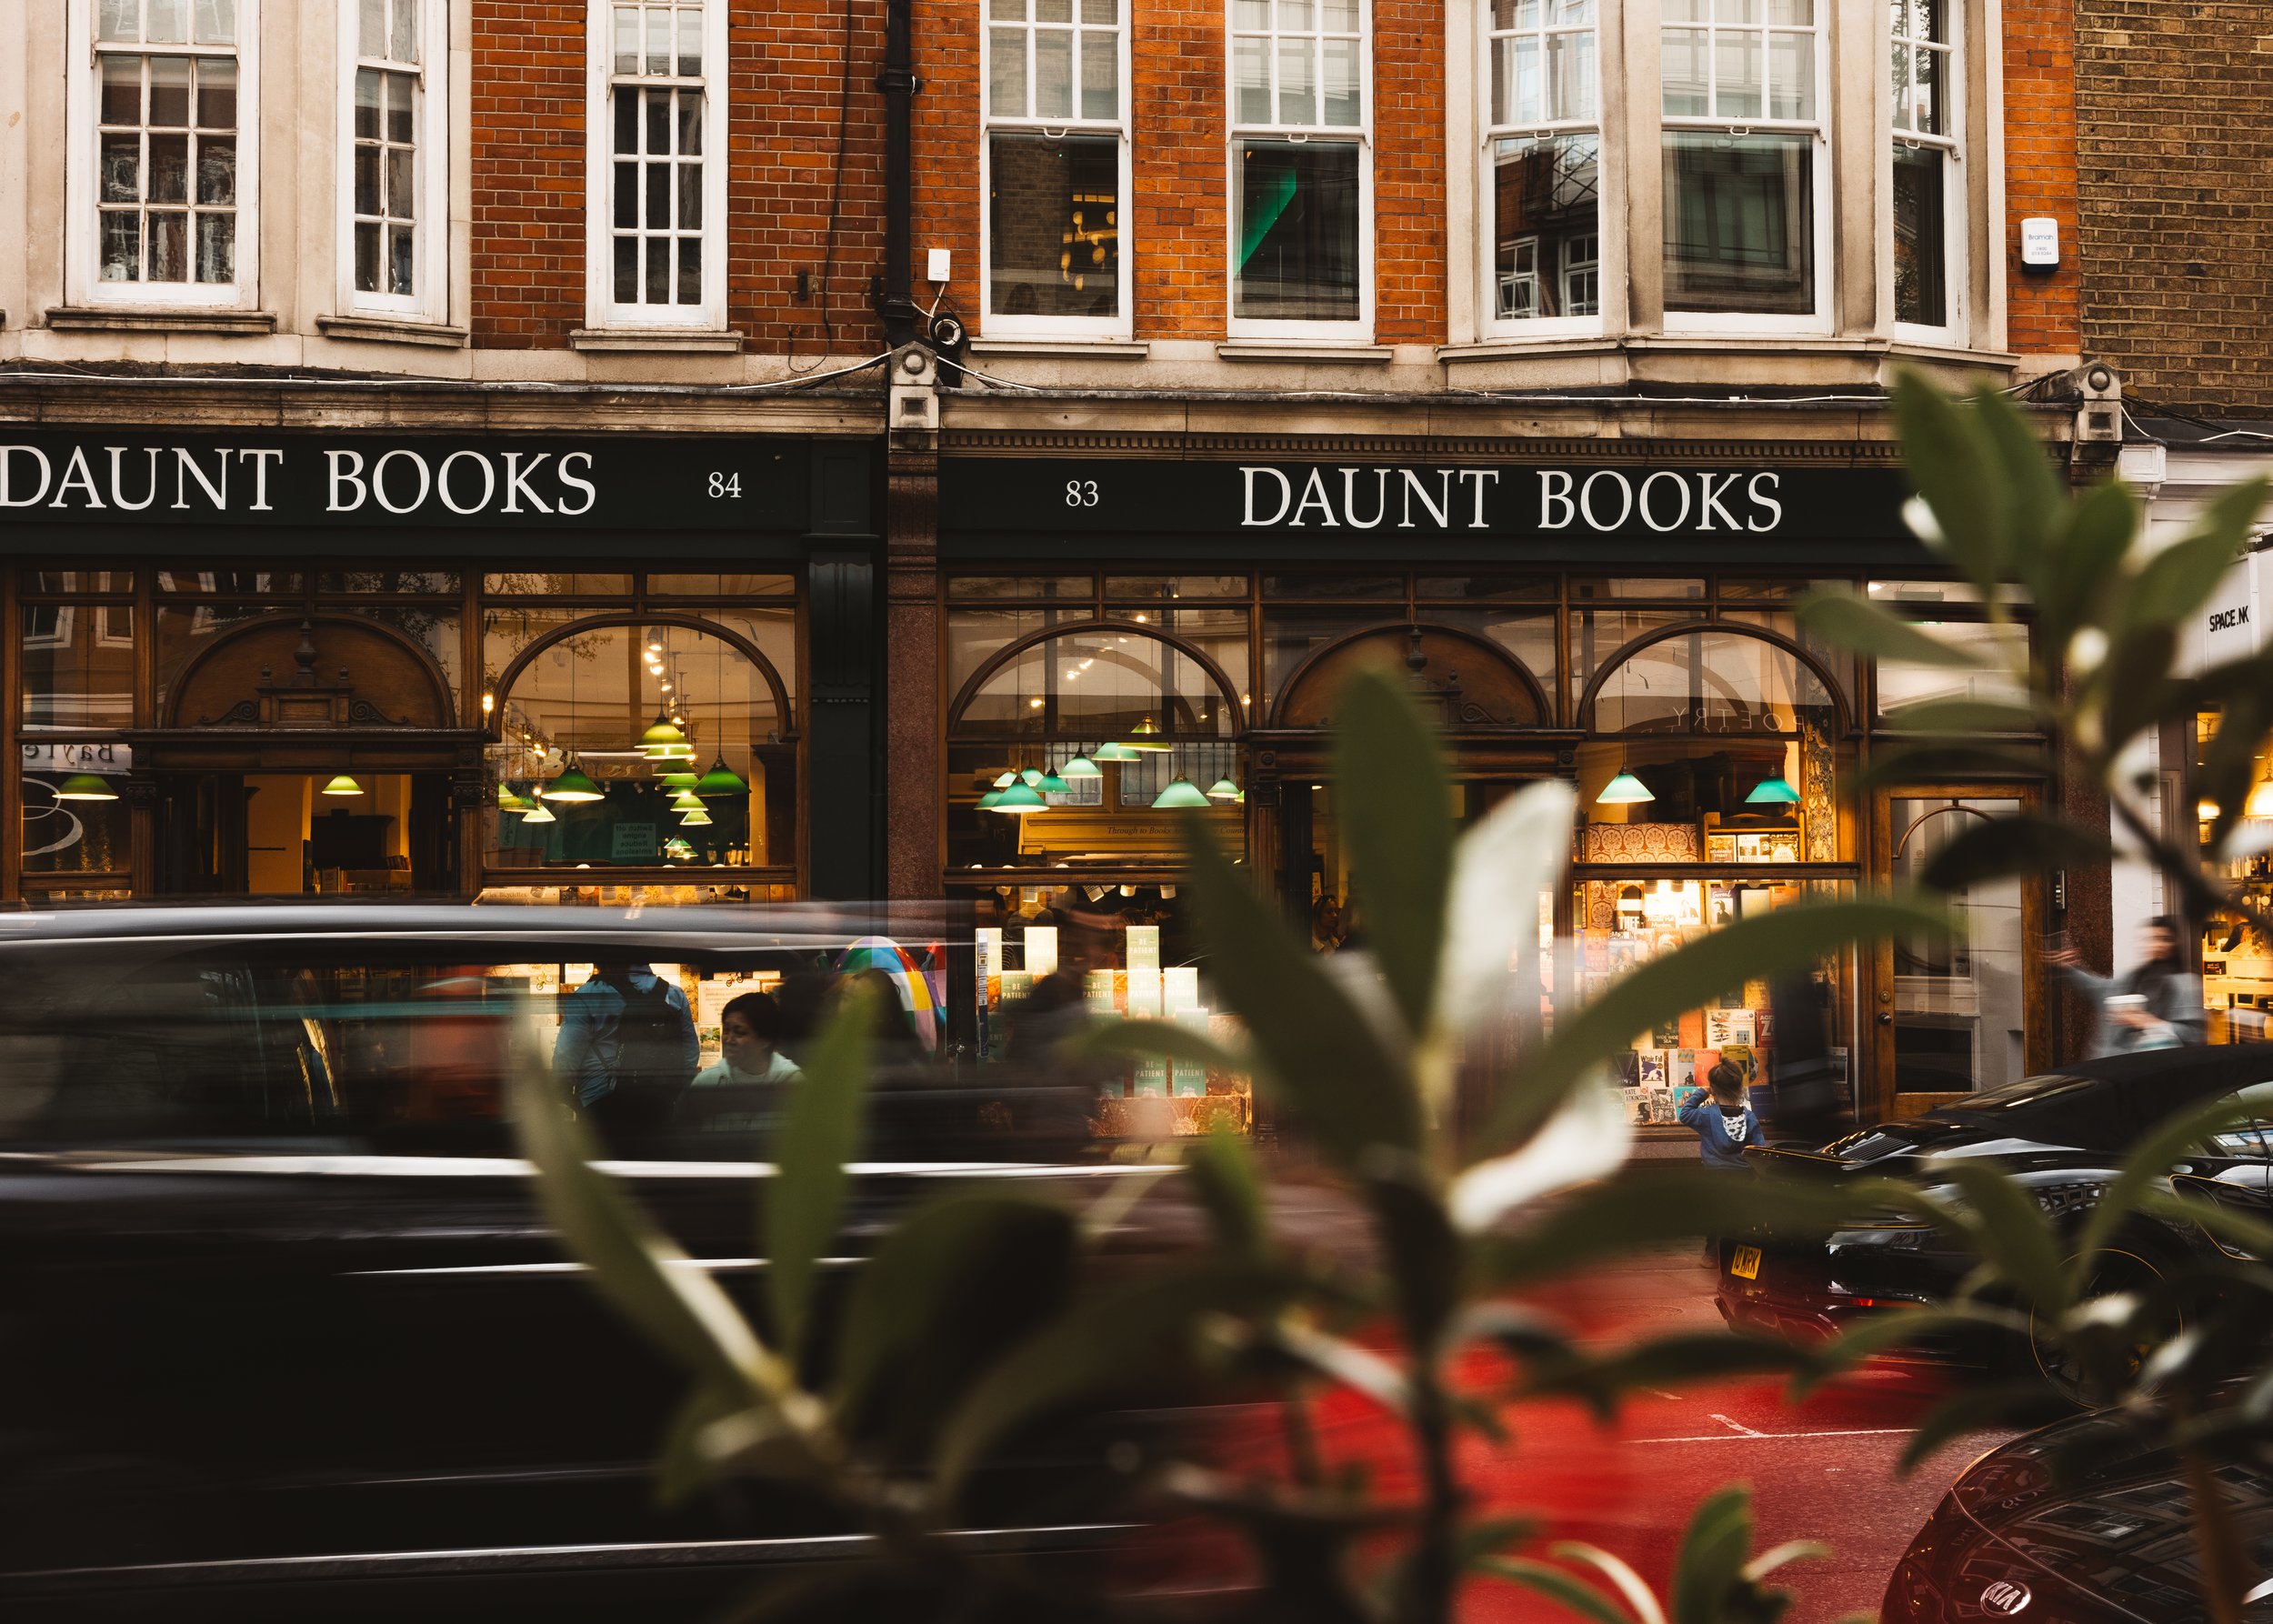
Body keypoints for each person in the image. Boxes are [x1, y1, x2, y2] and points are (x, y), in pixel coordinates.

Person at [553, 959, 699, 1138]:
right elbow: (690, 1050)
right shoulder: (674, 994)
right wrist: (675, 1090)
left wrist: (564, 1093)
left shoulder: (589, 994)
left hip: (600, 1098)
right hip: (659, 1099)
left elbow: (567, 1053)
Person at [2048, 917, 2206, 1058]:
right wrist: (2070, 969)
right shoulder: (2134, 977)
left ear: (2175, 943)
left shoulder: (2186, 984)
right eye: (2150, 939)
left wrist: (2150, 1023)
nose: (2156, 945)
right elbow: (2100, 990)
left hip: (2155, 1070)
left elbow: (2195, 1035)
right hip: (2115, 1066)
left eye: (2163, 939)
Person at [691, 992, 804, 1088]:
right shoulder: (707, 1082)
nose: (729, 1040)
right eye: (726, 1030)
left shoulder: (792, 1081)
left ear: (765, 1040)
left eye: (740, 1032)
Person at [1677, 1051, 1767, 1170]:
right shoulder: (1750, 1118)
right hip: (1743, 1176)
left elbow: (1684, 1114)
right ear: (1740, 1088)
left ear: (1713, 1089)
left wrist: (1703, 1092)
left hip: (1714, 1176)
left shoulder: (1706, 1115)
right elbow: (1758, 1149)